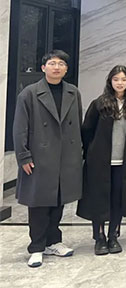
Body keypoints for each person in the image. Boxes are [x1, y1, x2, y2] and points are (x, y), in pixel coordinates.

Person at [13, 50, 82, 267]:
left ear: (66, 69)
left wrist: (78, 152)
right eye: (52, 63)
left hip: (65, 156)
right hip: (39, 156)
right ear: (43, 68)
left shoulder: (73, 92)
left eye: (61, 64)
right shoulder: (29, 93)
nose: (56, 67)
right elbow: (19, 128)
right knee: (39, 203)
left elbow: (77, 124)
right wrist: (23, 156)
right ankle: (36, 247)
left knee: (59, 200)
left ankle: (53, 241)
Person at [77, 65, 126, 255]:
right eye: (116, 79)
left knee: (118, 199)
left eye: (123, 79)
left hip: (122, 162)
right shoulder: (99, 103)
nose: (120, 83)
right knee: (99, 199)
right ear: (110, 81)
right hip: (99, 162)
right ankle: (99, 237)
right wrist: (91, 153)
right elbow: (86, 130)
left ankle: (114, 235)